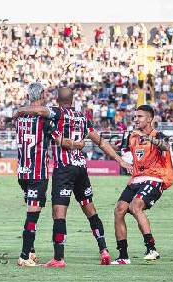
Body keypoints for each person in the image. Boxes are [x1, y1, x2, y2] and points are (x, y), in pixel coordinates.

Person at [16, 87, 132, 267]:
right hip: (81, 168)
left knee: (59, 214)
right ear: (73, 100)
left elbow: (39, 110)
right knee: (90, 210)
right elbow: (100, 141)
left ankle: (58, 258)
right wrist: (119, 160)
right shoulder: (82, 118)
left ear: (56, 99)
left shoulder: (55, 113)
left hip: (64, 168)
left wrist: (20, 110)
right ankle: (104, 249)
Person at [15, 83, 84, 267]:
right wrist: (76, 145)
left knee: (30, 209)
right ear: (43, 95)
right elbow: (59, 139)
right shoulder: (44, 120)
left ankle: (30, 250)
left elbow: (22, 114)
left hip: (22, 171)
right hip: (38, 173)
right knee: (32, 216)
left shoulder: (20, 117)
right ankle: (24, 256)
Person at [112, 105, 173, 264]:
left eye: (139, 116)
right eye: (135, 117)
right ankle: (123, 256)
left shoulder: (158, 135)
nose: (136, 119)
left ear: (149, 119)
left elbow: (166, 146)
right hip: (136, 179)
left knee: (135, 206)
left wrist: (149, 138)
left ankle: (151, 248)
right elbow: (125, 153)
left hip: (155, 178)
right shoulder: (131, 136)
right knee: (119, 210)